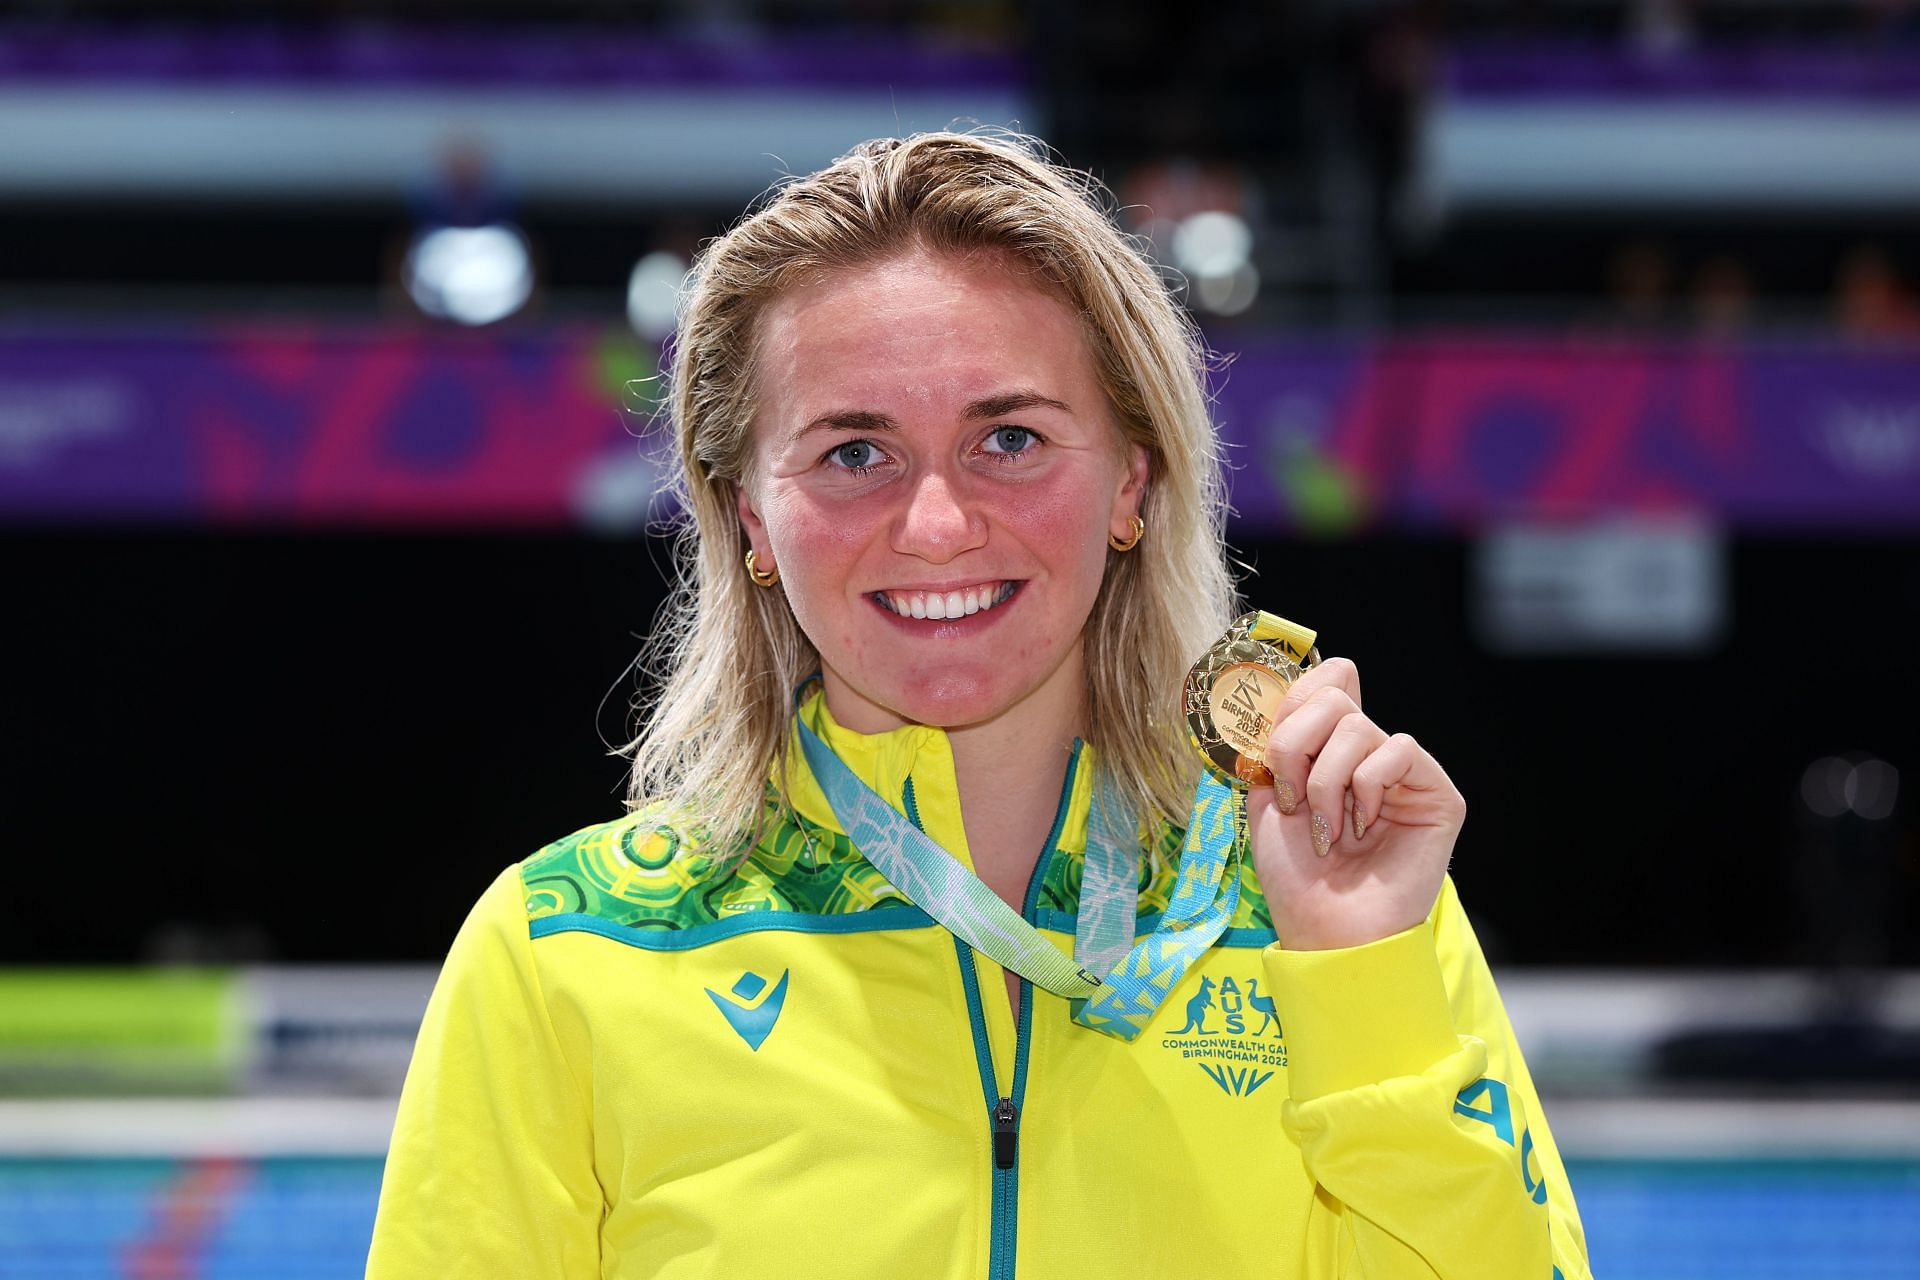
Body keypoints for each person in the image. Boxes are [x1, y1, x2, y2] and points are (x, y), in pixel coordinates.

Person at [365, 130, 1593, 1279]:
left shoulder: (1340, 913)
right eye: (855, 452)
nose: (938, 524)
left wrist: (1358, 985)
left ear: (1132, 480)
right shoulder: (570, 952)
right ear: (750, 517)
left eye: (1008, 438)